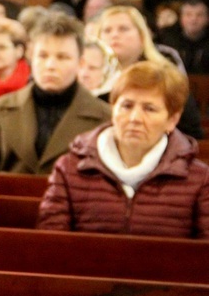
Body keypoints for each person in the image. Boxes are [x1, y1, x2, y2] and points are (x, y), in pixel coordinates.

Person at [38, 61, 209, 238]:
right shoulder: (70, 168)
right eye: (126, 106)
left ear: (172, 120)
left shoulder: (199, 179)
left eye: (149, 109)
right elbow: (51, 245)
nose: (134, 118)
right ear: (112, 109)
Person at [0, 13, 111, 174]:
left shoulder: (102, 115)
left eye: (62, 57)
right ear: (31, 57)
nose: (50, 65)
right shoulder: (1, 108)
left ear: (80, 63)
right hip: (8, 197)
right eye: (43, 55)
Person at [98, 5, 204, 139]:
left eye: (123, 29)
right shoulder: (87, 75)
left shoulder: (164, 74)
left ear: (142, 37)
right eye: (107, 30)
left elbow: (191, 128)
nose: (114, 35)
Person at [157, 0, 209, 75]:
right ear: (181, 18)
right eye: (188, 14)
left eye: (199, 15)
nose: (193, 19)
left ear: (207, 19)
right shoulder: (168, 40)